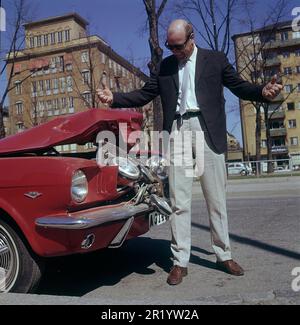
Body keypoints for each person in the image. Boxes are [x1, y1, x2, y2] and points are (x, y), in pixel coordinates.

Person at [97, 19, 283, 285]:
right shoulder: (166, 67)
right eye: (170, 46)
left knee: (216, 199)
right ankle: (179, 261)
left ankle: (223, 254)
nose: (174, 51)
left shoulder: (215, 60)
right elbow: (145, 94)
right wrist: (114, 98)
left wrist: (262, 91)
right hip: (178, 131)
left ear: (191, 38)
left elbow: (238, 86)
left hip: (208, 130)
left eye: (178, 46)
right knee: (179, 202)